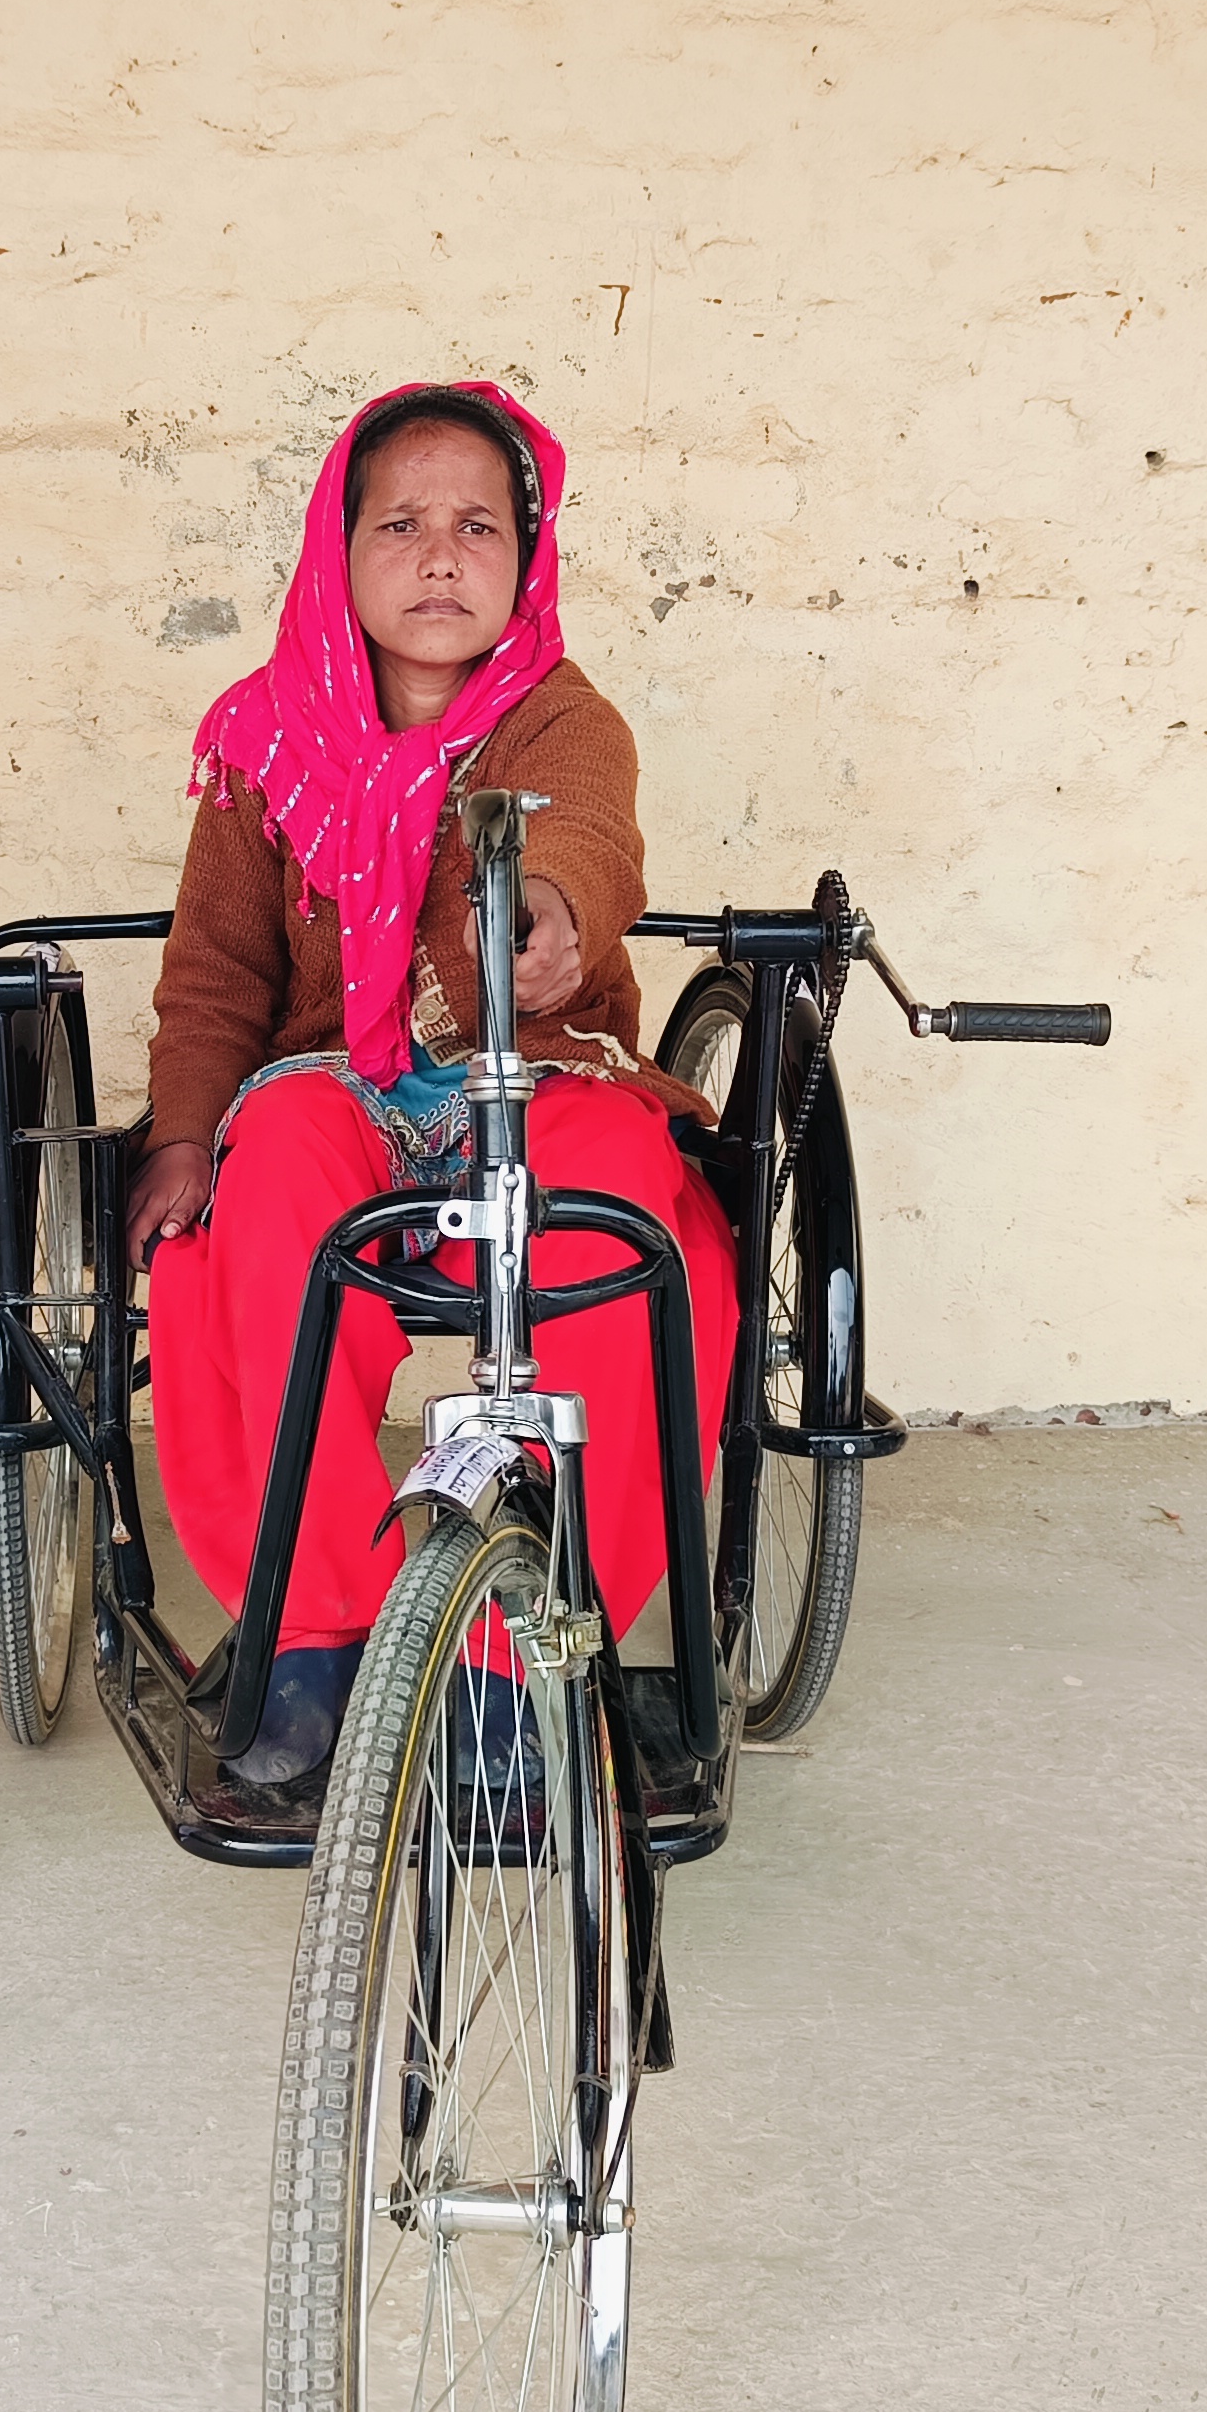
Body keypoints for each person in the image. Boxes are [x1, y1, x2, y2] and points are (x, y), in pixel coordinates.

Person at [132, 382, 738, 1785]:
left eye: (478, 526)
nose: (441, 556)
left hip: (537, 1072)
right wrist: (183, 1135)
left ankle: (524, 1654)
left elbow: (587, 841)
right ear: (337, 551)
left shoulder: (565, 719)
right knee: (255, 1191)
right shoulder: (262, 741)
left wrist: (552, 923)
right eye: (400, 524)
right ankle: (317, 1628)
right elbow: (216, 975)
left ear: (525, 558)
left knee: (634, 1220)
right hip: (338, 1081)